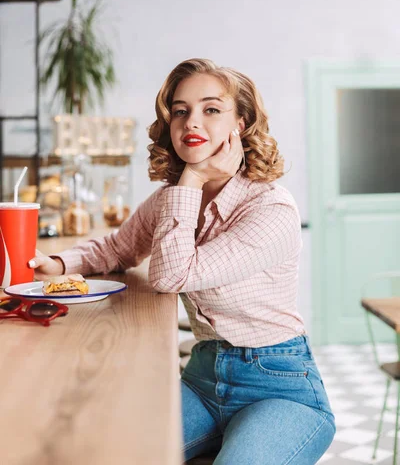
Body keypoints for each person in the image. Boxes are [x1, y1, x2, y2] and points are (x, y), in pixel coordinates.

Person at [30, 58, 336, 464]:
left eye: (211, 109)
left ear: (239, 124)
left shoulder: (272, 209)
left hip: (279, 386)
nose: (192, 122)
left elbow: (173, 275)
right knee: (109, 451)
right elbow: (117, 249)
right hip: (202, 378)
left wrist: (191, 179)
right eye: (180, 111)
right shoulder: (169, 201)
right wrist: (58, 263)